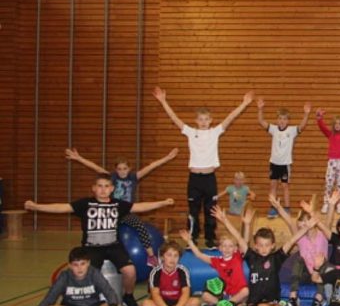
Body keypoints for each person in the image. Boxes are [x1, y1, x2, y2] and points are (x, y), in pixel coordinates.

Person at [24, 174, 174, 306]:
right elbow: (61, 207)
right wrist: (36, 206)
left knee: (130, 271)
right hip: (92, 248)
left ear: (112, 189)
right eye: (100, 186)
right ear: (94, 188)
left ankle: (128, 296)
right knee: (86, 273)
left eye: (106, 186)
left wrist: (162, 203)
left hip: (114, 246)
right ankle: (82, 301)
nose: (103, 190)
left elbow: (140, 206)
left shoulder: (117, 204)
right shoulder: (85, 204)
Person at [153, 87, 254, 247]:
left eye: (206, 119)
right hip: (194, 179)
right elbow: (175, 118)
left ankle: (210, 238)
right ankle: (192, 238)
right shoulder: (190, 132)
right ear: (196, 121)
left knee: (210, 210)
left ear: (211, 120)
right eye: (200, 119)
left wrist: (244, 103)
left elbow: (230, 118)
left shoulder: (214, 132)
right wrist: (163, 101)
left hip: (209, 179)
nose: (203, 122)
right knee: (193, 210)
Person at [64, 147, 178, 267]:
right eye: (119, 169)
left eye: (125, 169)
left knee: (140, 226)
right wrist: (79, 158)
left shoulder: (133, 177)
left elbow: (151, 166)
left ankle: (150, 256)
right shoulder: (112, 178)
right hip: (112, 213)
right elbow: (95, 167)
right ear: (115, 169)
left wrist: (167, 157)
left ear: (130, 169)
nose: (122, 171)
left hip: (126, 212)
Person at [210, 206, 310, 306]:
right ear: (256, 246)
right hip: (254, 298)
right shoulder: (252, 257)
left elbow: (291, 241)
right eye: (261, 245)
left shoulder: (276, 258)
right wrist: (225, 220)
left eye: (267, 245)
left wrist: (306, 228)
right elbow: (239, 238)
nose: (264, 248)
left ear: (272, 246)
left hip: (270, 298)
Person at [20, 247, 120, 306]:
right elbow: (50, 297)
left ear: (88, 263)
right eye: (75, 265)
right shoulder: (64, 276)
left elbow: (108, 291)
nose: (80, 268)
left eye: (83, 264)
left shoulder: (94, 273)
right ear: (70, 266)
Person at [270, 195, 331, 306]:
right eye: (301, 224)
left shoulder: (322, 235)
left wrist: (329, 205)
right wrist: (278, 207)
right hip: (306, 276)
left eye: (306, 223)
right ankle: (293, 298)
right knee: (299, 259)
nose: (303, 226)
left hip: (319, 275)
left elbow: (329, 219)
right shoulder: (300, 237)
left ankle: (319, 299)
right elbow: (289, 221)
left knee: (322, 261)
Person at [179, 214, 250, 306]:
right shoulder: (217, 261)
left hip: (238, 294)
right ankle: (228, 305)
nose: (227, 249)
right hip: (225, 295)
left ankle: (227, 305)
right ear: (219, 248)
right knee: (205, 295)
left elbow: (244, 241)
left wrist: (247, 225)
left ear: (235, 249)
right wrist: (190, 241)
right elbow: (199, 255)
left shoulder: (237, 257)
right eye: (224, 246)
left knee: (246, 291)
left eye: (230, 246)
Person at [256, 98, 310, 217]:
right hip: (274, 163)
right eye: (280, 118)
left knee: (285, 186)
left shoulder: (291, 131)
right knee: (273, 185)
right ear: (277, 120)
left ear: (288, 121)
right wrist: (260, 109)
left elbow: (302, 126)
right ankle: (273, 208)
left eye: (285, 119)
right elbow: (261, 121)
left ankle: (286, 208)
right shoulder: (273, 129)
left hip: (285, 164)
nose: (282, 121)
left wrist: (306, 114)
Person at [141, 241, 201, 306]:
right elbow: (155, 294)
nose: (172, 259)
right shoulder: (155, 272)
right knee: (145, 303)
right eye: (169, 255)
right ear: (162, 257)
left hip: (178, 301)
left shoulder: (182, 270)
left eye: (176, 256)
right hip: (161, 303)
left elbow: (186, 292)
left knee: (195, 302)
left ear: (179, 258)